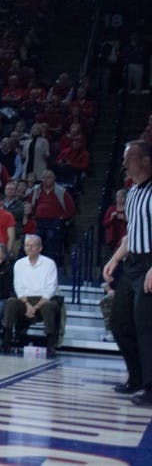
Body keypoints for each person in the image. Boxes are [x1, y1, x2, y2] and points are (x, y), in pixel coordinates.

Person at [103, 140, 152, 404]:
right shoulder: (132, 192)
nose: (123, 163)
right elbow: (132, 234)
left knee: (146, 326)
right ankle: (136, 378)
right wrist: (114, 259)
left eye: (129, 158)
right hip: (132, 264)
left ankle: (150, 386)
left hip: (150, 263)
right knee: (119, 321)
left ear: (144, 160)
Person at [2, 234, 60, 355]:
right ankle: (6, 342)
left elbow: (50, 289)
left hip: (44, 300)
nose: (30, 248)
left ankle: (50, 345)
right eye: (27, 245)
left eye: (33, 246)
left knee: (50, 306)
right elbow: (18, 287)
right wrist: (28, 305)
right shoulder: (19, 264)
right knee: (11, 303)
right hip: (25, 300)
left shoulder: (49, 264)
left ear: (40, 248)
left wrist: (36, 307)